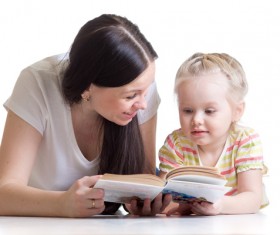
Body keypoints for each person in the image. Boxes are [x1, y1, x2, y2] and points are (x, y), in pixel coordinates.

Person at [0, 14, 171, 217]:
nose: (143, 104)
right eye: (130, 96)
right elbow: (4, 193)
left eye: (146, 91)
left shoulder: (140, 87)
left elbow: (144, 178)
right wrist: (61, 204)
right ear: (87, 87)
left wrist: (145, 203)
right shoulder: (38, 83)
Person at [158, 52, 269, 216]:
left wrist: (220, 206)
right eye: (187, 110)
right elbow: (164, 200)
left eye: (209, 111)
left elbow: (253, 198)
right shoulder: (176, 144)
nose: (196, 120)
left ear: (236, 111)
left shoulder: (245, 141)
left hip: (238, 226)